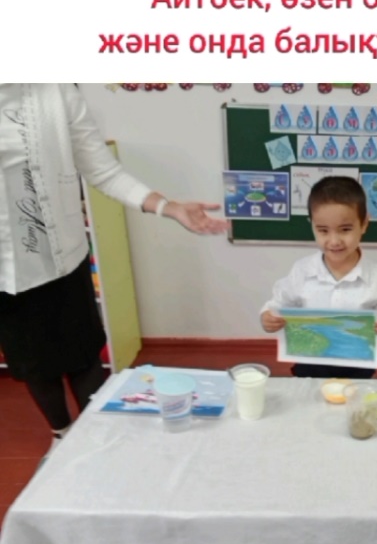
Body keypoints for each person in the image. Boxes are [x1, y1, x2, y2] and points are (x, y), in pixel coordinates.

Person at [0, 83, 230, 456]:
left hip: (62, 257)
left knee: (84, 355)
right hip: (5, 271)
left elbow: (103, 170)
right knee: (33, 363)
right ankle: (61, 435)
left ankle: (104, 441)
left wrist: (168, 207)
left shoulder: (55, 90)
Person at [260, 175, 377, 378]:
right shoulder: (302, 271)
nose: (334, 240)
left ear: (364, 224)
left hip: (358, 364)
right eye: (323, 231)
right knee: (310, 396)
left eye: (345, 229)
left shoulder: (375, 275)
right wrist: (268, 317)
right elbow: (277, 304)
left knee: (355, 398)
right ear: (312, 225)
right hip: (310, 361)